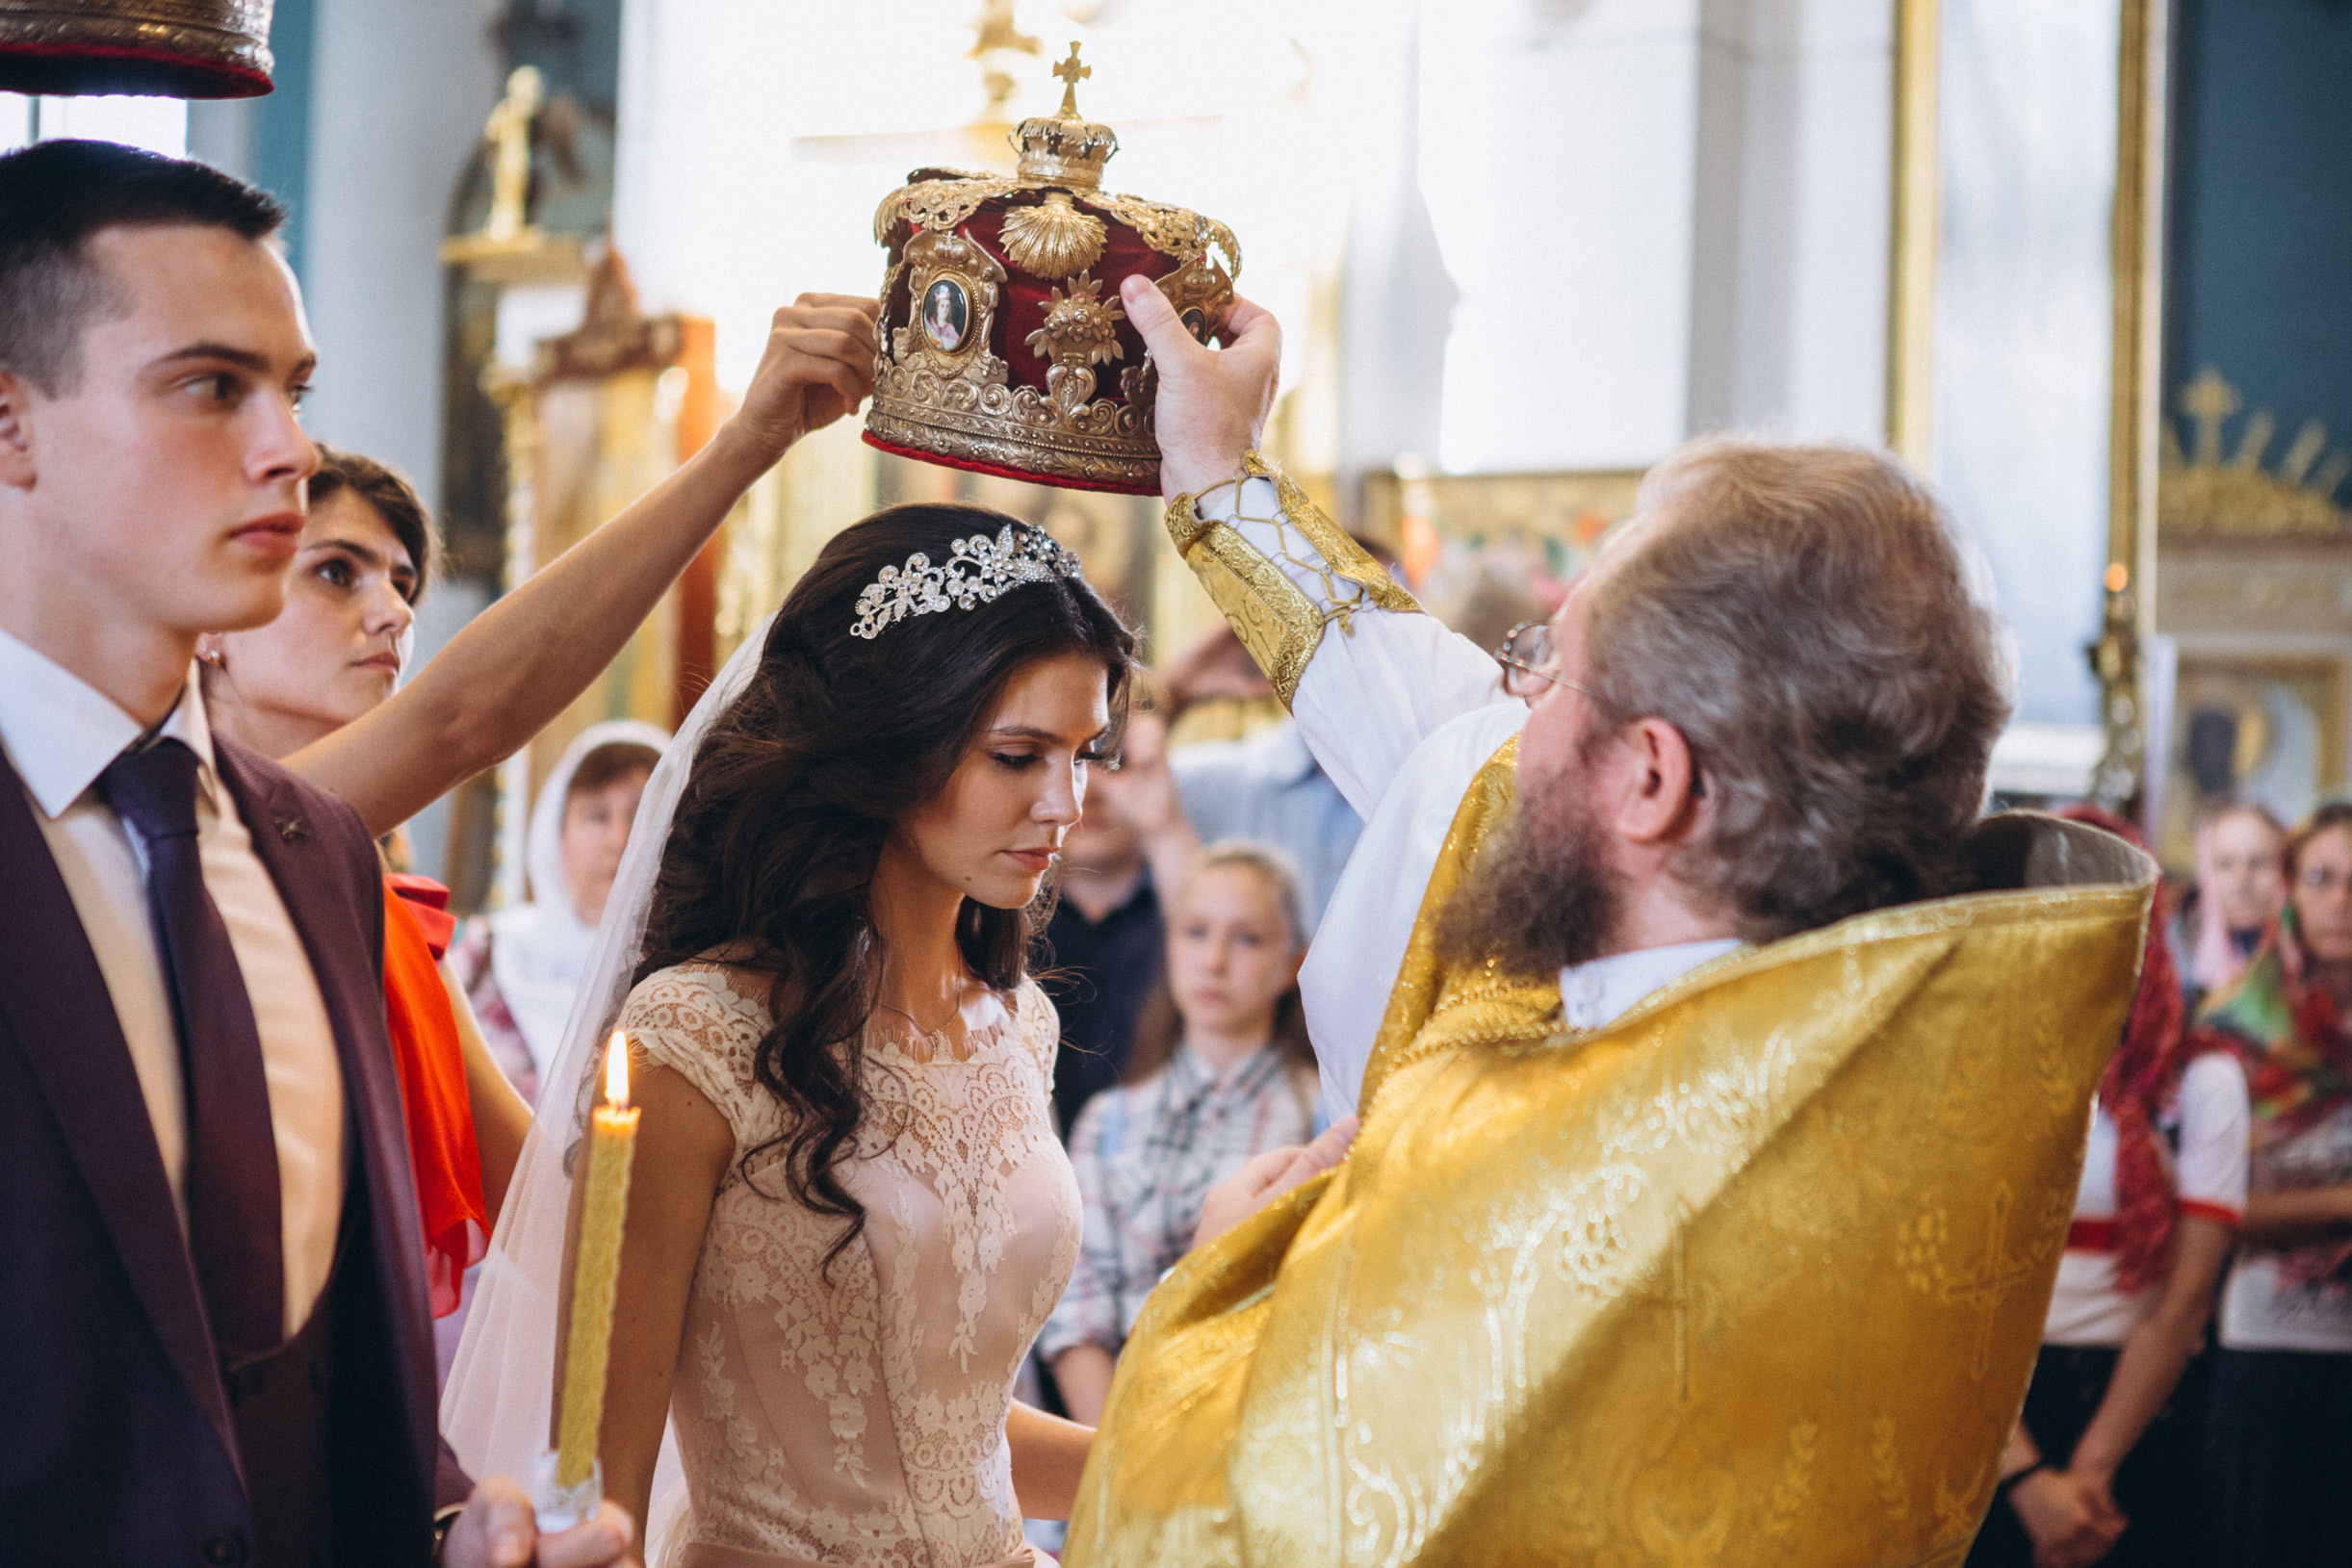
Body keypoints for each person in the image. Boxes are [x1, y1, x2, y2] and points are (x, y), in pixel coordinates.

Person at [1057, 278, 2159, 1565]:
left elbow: (1221, 1532)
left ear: (1650, 779)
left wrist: (1219, 1275)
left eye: (1544, 669)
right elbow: (1430, 719)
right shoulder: (1900, 1057)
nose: (1507, 718)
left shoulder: (1516, 1189)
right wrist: (1218, 472)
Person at [0, 139, 627, 1564]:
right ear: (10, 424)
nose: (285, 448)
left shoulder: (313, 849)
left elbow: (325, 1398)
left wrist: (455, 1529)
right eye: (212, 386)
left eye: (294, 390)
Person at [445, 507, 1130, 1565]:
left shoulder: (1018, 1027)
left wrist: (1195, 1453)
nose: (1065, 803)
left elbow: (943, 1432)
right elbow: (600, 1492)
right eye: (1017, 755)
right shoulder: (699, 1035)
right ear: (889, 744)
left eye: (1084, 754)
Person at [195, 441, 532, 1314]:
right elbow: (464, 720)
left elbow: (530, 1190)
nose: (391, 614)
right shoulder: (189, 834)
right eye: (338, 572)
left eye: (402, 583)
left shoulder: (378, 900)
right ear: (211, 624)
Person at [1967, 805, 2247, 1568]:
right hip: (1984, 1416)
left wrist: (2085, 1476)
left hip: (2132, 1413)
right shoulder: (1969, 1080)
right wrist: (2025, 1478)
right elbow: (1944, 1298)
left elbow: (2183, 1298)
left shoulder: (2198, 1081)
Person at [1041, 841, 1322, 1426]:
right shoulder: (1110, 1121)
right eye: (1195, 932)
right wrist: (1117, 1457)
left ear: (1294, 961)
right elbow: (1077, 1311)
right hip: (1116, 1434)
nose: (1214, 960)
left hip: (1256, 1423)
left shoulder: (1318, 1118)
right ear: (1168, 945)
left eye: (1246, 938)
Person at [2194, 800, 2352, 1567]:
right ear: (2291, 889)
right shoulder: (2238, 1027)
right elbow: (2215, 1213)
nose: (2339, 902)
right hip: (2265, 1352)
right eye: (2320, 877)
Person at [450, 721, 668, 1102]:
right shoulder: (488, 955)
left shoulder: (688, 967)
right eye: (598, 816)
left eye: (640, 816)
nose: (619, 840)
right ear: (556, 834)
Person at [1038, 704, 1198, 1135]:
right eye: (1074, 763)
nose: (1088, 792)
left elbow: (1210, 931)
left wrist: (1163, 827)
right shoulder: (1006, 913)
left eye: (1112, 761)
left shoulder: (1176, 898)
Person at [2184, 801, 2286, 1012]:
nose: (2242, 881)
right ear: (2205, 874)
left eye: (2259, 862)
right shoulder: (2171, 965)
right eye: (2225, 864)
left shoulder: (2310, 968)